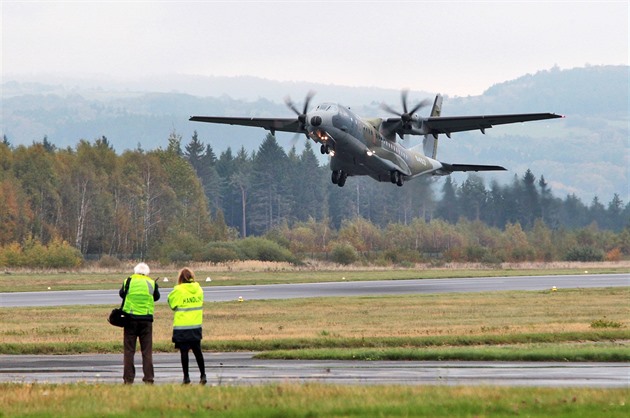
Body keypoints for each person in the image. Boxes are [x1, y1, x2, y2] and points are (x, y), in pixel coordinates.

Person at [120, 262, 160, 384]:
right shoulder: (152, 283)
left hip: (130, 319)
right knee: (147, 351)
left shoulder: (128, 281)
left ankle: (128, 379)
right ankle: (149, 378)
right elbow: (156, 297)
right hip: (146, 320)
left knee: (129, 351)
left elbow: (122, 294)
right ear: (147, 272)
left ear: (135, 271)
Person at [168, 267, 206, 385]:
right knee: (198, 352)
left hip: (182, 327)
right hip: (195, 326)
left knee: (184, 353)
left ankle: (186, 377)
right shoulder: (199, 289)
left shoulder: (178, 290)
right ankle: (203, 375)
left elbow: (172, 304)